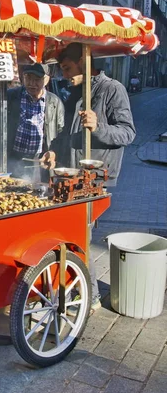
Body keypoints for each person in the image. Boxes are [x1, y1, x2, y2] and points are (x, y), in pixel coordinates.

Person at [42, 42, 136, 311]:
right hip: (71, 174)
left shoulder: (112, 89)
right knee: (71, 233)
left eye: (67, 68)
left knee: (81, 234)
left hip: (95, 177)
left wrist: (98, 127)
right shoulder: (75, 92)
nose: (64, 75)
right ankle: (76, 288)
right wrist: (53, 151)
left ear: (84, 62)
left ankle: (90, 295)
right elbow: (67, 134)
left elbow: (128, 133)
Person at [0, 63, 64, 177]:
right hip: (13, 157)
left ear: (46, 79)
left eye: (37, 79)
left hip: (40, 160)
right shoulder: (9, 97)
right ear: (23, 77)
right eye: (28, 78)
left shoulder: (54, 102)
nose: (32, 84)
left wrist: (54, 153)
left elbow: (61, 134)